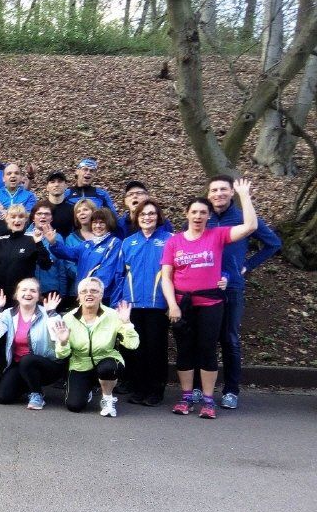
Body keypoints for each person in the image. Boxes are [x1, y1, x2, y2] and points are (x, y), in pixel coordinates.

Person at [161, 179, 257, 419]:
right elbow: (166, 277)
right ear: (187, 214)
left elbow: (250, 227)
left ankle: (207, 400)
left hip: (211, 303)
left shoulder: (218, 235)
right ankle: (186, 397)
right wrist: (172, 305)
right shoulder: (174, 241)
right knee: (185, 350)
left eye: (203, 212)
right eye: (194, 212)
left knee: (207, 350)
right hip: (182, 304)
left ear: (209, 215)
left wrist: (244, 195)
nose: (198, 216)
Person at [206, 174, 282, 410]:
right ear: (208, 194)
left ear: (231, 193)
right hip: (205, 287)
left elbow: (273, 243)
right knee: (206, 338)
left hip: (232, 288)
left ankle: (231, 390)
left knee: (229, 339)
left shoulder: (242, 217)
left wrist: (247, 265)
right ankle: (201, 388)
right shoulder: (204, 217)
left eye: (223, 189)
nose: (218, 194)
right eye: (214, 190)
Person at [115, 199, 173, 406]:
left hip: (158, 305)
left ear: (158, 217)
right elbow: (119, 274)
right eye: (143, 214)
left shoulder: (170, 240)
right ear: (136, 218)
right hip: (132, 305)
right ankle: (139, 389)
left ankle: (156, 390)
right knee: (135, 349)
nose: (147, 217)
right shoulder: (128, 242)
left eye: (151, 214)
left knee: (156, 349)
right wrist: (118, 303)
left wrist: (173, 303)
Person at [53, 277, 138, 416]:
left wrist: (126, 323)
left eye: (94, 291)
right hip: (80, 364)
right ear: (78, 296)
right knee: (74, 405)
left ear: (101, 295)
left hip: (106, 360)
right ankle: (88, 389)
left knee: (108, 368)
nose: (89, 294)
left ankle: (107, 398)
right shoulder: (68, 318)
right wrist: (63, 342)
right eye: (84, 291)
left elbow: (132, 345)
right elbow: (61, 355)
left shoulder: (113, 315)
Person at [0, 279, 65, 410]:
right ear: (16, 295)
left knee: (27, 360)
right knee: (3, 397)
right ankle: (29, 386)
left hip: (47, 365)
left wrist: (52, 313)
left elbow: (58, 337)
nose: (28, 293)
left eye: (33, 291)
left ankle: (37, 394)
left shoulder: (47, 313)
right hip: (19, 365)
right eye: (24, 290)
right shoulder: (9, 313)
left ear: (39, 296)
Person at [44, 208, 122, 304]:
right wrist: (53, 242)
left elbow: (106, 271)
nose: (97, 226)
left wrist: (89, 290)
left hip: (100, 296)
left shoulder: (114, 243)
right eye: (94, 223)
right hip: (84, 295)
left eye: (102, 223)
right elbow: (68, 253)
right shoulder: (88, 244)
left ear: (109, 223)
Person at [0, 205, 52, 300]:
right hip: (1, 296)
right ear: (7, 219)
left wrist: (39, 243)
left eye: (21, 217)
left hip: (24, 295)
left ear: (26, 219)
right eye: (13, 217)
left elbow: (46, 265)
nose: (17, 220)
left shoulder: (32, 240)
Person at [43, 171, 75, 237]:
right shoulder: (40, 209)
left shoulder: (73, 209)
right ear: (47, 187)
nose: (56, 185)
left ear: (66, 186)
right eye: (52, 182)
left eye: (60, 181)